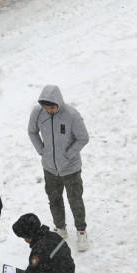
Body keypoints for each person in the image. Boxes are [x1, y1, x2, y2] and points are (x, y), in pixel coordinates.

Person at [27, 85, 90, 251]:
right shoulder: (38, 113)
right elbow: (32, 132)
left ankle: (81, 231)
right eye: (46, 107)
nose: (49, 111)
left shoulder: (72, 115)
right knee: (54, 199)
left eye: (52, 107)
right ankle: (60, 228)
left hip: (71, 168)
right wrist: (42, 150)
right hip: (49, 168)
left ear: (58, 103)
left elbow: (83, 138)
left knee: (75, 200)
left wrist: (68, 155)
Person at [11, 213, 79, 273]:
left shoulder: (39, 252)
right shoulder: (53, 236)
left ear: (29, 237)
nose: (24, 240)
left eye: (24, 237)